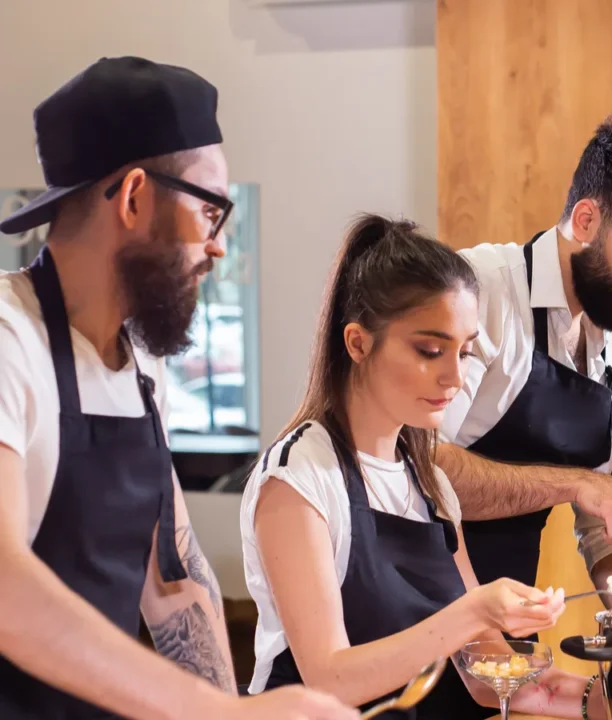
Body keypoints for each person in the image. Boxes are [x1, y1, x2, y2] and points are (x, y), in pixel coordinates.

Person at [0, 57, 353, 719]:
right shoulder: (8, 341)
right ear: (135, 198)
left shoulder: (139, 366)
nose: (218, 247)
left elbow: (173, 583)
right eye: (210, 209)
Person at [241, 214, 611, 719]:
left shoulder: (431, 486)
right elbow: (331, 679)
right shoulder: (298, 478)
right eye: (431, 351)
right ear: (358, 343)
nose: (454, 377)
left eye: (463, 352)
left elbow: (492, 680)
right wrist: (474, 611)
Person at [439, 112, 612, 602]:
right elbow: (419, 472)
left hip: (505, 635)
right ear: (586, 219)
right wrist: (571, 484)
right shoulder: (479, 292)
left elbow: (605, 531)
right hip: (416, 618)